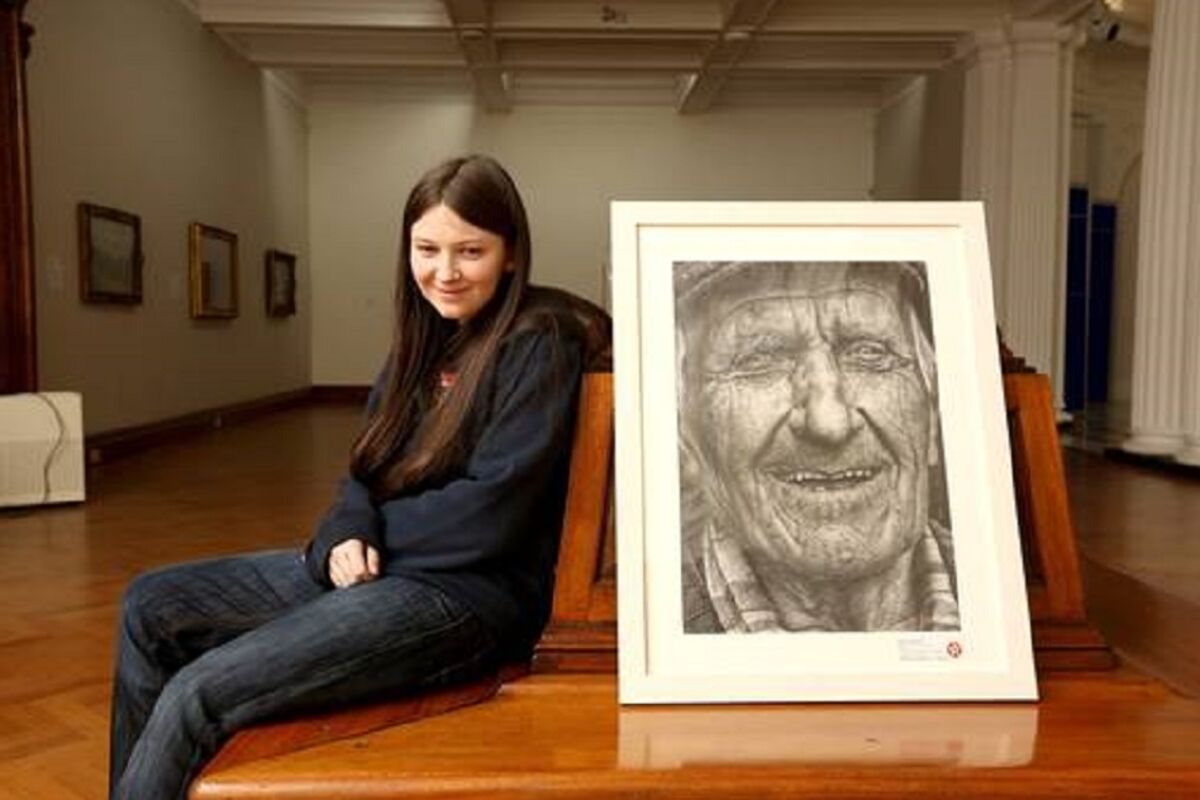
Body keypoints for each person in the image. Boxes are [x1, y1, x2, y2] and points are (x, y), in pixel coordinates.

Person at [108, 155, 609, 800]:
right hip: (383, 569)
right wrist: (344, 531)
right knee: (150, 604)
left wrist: (364, 539)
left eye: (471, 251)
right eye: (427, 249)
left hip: (466, 599)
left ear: (511, 255)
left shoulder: (540, 341)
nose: (445, 271)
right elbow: (365, 467)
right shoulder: (423, 340)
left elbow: (492, 515)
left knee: (196, 695)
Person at [674, 260, 959, 634]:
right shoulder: (652, 617)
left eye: (870, 353)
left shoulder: (999, 598)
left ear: (932, 415)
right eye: (759, 359)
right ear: (686, 431)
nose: (829, 423)